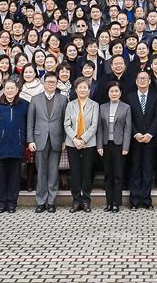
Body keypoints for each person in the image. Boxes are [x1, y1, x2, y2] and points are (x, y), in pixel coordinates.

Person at [26, 72, 68, 213]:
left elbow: (64, 121)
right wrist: (30, 140)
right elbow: (30, 121)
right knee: (41, 171)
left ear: (57, 84)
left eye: (53, 82)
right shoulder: (35, 99)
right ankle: (41, 201)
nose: (51, 84)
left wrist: (64, 140)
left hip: (56, 139)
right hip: (39, 140)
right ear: (43, 83)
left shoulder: (62, 99)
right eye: (48, 81)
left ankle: (51, 201)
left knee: (53, 172)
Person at [0, 79, 29, 213]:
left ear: (17, 90)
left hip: (17, 145)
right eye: (7, 88)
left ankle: (12, 202)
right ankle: (1, 203)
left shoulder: (24, 105)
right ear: (4, 89)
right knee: (1, 177)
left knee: (14, 177)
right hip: (1, 145)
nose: (10, 91)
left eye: (13, 88)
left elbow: (27, 124)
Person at [124, 71, 157, 210]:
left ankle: (146, 200)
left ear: (150, 81)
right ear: (136, 81)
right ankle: (134, 201)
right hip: (135, 140)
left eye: (145, 78)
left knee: (148, 170)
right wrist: (136, 133)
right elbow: (128, 118)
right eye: (140, 78)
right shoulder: (129, 97)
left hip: (150, 140)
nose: (143, 80)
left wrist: (150, 134)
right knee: (135, 170)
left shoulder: (156, 97)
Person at [63, 77, 98, 212]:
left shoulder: (94, 105)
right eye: (80, 87)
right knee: (75, 172)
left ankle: (86, 200)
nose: (82, 90)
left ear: (89, 90)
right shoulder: (70, 104)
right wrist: (75, 139)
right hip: (72, 143)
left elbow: (94, 125)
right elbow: (67, 124)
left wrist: (83, 139)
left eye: (85, 88)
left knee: (87, 172)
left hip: (88, 143)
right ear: (76, 90)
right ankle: (76, 200)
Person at [96, 81, 131, 213]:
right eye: (111, 91)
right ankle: (108, 202)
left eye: (116, 91)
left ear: (120, 93)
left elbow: (128, 129)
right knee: (108, 175)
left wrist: (126, 146)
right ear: (108, 93)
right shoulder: (102, 107)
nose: (114, 93)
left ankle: (116, 203)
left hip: (119, 145)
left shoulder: (126, 107)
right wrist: (99, 145)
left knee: (118, 175)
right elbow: (99, 128)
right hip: (106, 144)